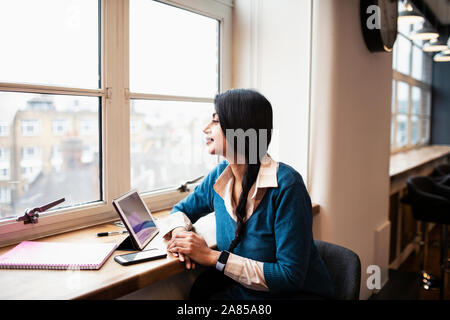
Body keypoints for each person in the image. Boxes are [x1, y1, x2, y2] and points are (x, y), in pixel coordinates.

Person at [163, 88, 334, 300]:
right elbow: (181, 210)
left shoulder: (287, 186)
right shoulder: (218, 176)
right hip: (246, 293)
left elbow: (289, 277)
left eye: (215, 121)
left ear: (239, 128)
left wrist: (210, 256)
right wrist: (182, 237)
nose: (205, 128)